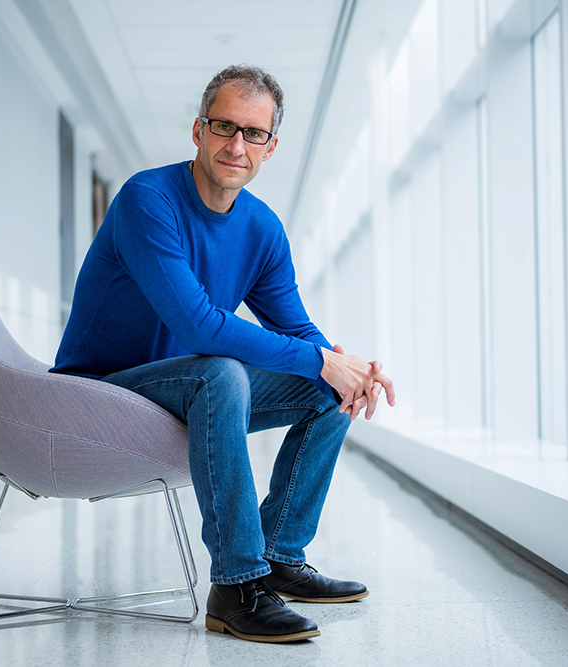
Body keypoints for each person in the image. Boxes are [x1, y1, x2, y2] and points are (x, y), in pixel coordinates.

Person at [51, 64, 395, 643]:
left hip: (188, 388)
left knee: (324, 388)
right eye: (223, 126)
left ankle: (281, 553)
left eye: (253, 133)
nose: (237, 145)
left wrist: (344, 366)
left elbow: (295, 327)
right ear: (198, 130)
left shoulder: (262, 229)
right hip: (102, 394)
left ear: (270, 146)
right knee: (223, 373)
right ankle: (235, 585)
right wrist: (321, 358)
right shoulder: (147, 199)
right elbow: (202, 328)